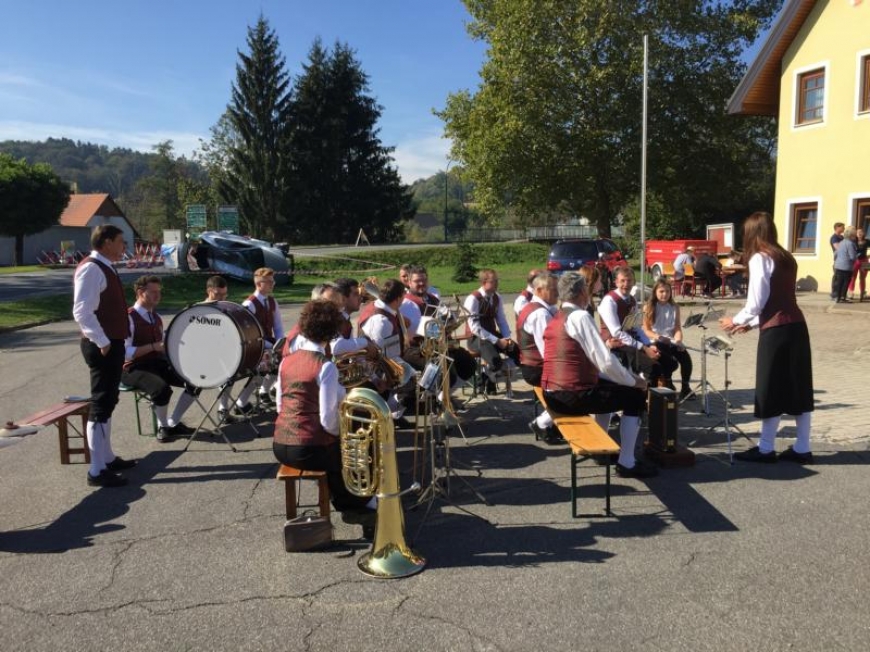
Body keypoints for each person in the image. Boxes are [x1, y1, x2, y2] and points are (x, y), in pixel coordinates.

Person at [273, 300, 377, 537]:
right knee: (356, 453)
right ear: (331, 332)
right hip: (308, 449)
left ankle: (347, 500)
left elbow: (280, 406)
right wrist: (348, 438)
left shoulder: (286, 361)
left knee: (336, 453)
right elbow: (328, 420)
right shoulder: (324, 366)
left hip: (280, 445)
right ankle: (360, 507)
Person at [720, 211, 814, 463]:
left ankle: (765, 449)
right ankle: (803, 448)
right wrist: (750, 324)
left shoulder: (760, 258)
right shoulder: (786, 257)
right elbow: (777, 300)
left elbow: (757, 302)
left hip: (776, 331)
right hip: (797, 327)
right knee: (798, 388)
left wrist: (736, 320)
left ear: (752, 233)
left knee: (770, 388)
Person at [541, 272, 656, 478]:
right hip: (569, 396)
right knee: (635, 397)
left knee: (610, 391)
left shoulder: (558, 315)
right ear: (583, 292)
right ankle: (627, 463)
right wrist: (634, 381)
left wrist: (621, 378)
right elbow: (604, 361)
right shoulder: (580, 316)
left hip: (552, 393)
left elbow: (588, 359)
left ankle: (603, 450)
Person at [72, 224, 135, 488]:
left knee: (109, 400)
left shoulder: (105, 266)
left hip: (111, 343)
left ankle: (106, 457)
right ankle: (96, 470)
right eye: (121, 242)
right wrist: (103, 341)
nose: (124, 248)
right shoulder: (91, 268)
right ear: (107, 242)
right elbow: (82, 311)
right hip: (102, 345)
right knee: (100, 403)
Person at [121, 276, 198, 442]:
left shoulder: (155, 317)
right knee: (161, 389)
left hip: (157, 363)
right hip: (133, 368)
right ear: (141, 293)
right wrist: (154, 346)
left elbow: (162, 345)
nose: (158, 295)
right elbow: (124, 353)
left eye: (159, 292)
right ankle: (163, 428)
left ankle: (173, 422)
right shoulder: (129, 317)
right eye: (153, 292)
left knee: (196, 379)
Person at [399, 266, 475, 386]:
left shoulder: (432, 298)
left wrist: (451, 321)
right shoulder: (405, 303)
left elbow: (444, 316)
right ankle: (429, 397)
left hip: (438, 345)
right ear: (409, 282)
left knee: (468, 364)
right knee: (445, 372)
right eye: (417, 281)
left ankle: (445, 397)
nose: (421, 283)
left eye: (424, 280)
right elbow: (411, 331)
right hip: (417, 348)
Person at [597, 266, 673, 384]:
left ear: (634, 282)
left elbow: (636, 327)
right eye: (622, 281)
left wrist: (649, 344)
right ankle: (646, 396)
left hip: (631, 341)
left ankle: (662, 391)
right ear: (616, 282)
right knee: (653, 368)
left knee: (670, 363)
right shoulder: (609, 301)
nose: (626, 284)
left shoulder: (632, 300)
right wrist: (644, 348)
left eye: (629, 281)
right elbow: (617, 333)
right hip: (616, 344)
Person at [235, 267, 285, 413]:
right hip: (254, 346)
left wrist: (281, 344)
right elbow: (245, 332)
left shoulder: (272, 301)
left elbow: (278, 326)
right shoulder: (249, 304)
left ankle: (264, 391)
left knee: (283, 360)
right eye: (269, 281)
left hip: (269, 344)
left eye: (273, 281)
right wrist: (270, 345)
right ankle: (241, 402)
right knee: (264, 367)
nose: (273, 284)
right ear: (259, 284)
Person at [517, 272, 559, 441]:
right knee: (575, 388)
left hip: (533, 365)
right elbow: (548, 351)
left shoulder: (536, 307)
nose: (558, 293)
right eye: (554, 289)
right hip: (536, 368)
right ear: (540, 290)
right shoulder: (540, 314)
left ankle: (552, 422)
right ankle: (542, 423)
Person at [463, 268, 520, 388]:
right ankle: (485, 376)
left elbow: (501, 320)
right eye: (494, 281)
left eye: (497, 281)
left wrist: (506, 338)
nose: (497, 284)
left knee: (518, 353)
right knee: (495, 361)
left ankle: (490, 374)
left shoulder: (497, 297)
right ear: (484, 282)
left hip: (492, 335)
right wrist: (497, 341)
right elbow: (475, 328)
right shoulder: (473, 299)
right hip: (476, 338)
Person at [642, 279, 694, 400]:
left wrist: (679, 341)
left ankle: (685, 388)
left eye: (667, 291)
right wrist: (658, 337)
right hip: (655, 340)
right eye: (661, 291)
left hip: (670, 340)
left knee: (686, 359)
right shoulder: (648, 307)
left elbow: (677, 328)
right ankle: (668, 382)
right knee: (669, 361)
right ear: (655, 292)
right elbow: (646, 330)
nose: (664, 294)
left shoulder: (674, 307)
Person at [832, 226, 857, 303]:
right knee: (845, 282)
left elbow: (835, 253)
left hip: (838, 265)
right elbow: (852, 256)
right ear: (851, 235)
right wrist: (857, 256)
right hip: (847, 266)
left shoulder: (841, 242)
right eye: (854, 234)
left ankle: (837, 298)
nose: (855, 236)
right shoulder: (850, 244)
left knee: (839, 282)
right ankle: (843, 297)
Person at [847, 228, 869, 301]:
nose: (859, 234)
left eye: (861, 232)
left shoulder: (867, 241)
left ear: (863, 233)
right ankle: (851, 293)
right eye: (858, 232)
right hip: (855, 261)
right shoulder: (853, 241)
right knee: (853, 277)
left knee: (862, 278)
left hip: (865, 261)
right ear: (856, 234)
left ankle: (862, 293)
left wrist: (869, 256)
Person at [830, 222, 845, 300]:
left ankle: (840, 294)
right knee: (837, 277)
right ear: (837, 228)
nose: (844, 228)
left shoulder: (842, 237)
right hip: (838, 259)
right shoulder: (834, 237)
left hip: (843, 259)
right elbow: (838, 248)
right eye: (842, 227)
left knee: (842, 278)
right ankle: (834, 294)